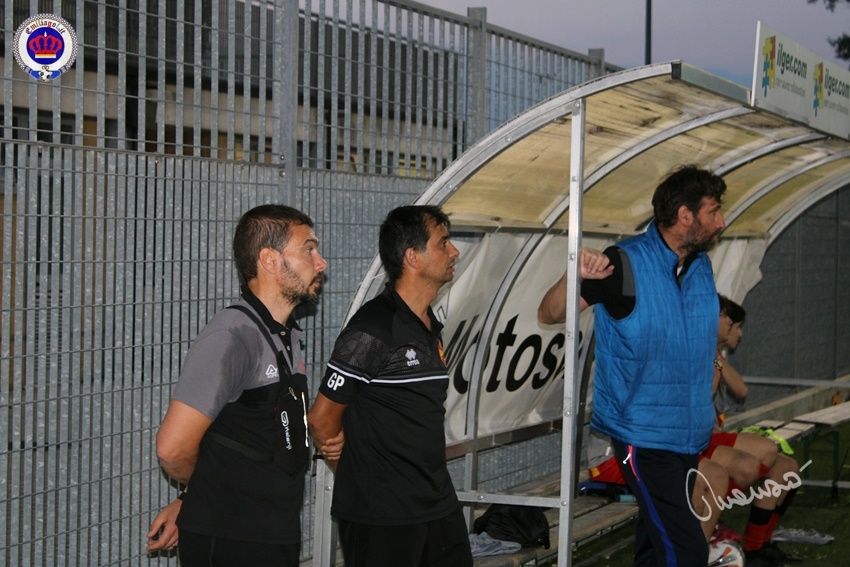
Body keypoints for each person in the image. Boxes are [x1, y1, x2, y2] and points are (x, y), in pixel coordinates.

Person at [539, 164, 727, 567]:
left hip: (689, 436)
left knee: (656, 549)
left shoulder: (700, 266)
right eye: (713, 211)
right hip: (642, 438)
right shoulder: (623, 263)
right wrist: (575, 275)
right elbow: (550, 313)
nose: (721, 222)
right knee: (686, 551)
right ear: (685, 216)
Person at [145, 204, 342, 565]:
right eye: (309, 249)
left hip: (273, 532)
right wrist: (202, 494)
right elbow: (173, 449)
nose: (321, 263)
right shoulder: (232, 336)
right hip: (231, 538)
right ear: (270, 260)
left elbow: (250, 434)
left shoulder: (285, 333)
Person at [306, 205, 472, 567]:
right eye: (443, 243)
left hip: (436, 503)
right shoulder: (373, 328)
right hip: (382, 514)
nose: (454, 251)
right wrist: (351, 465)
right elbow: (321, 418)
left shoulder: (429, 325)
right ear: (412, 257)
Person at [707, 296, 801, 566]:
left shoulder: (714, 355)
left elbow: (741, 390)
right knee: (763, 453)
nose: (739, 333)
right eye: (735, 326)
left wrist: (716, 358)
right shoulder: (696, 349)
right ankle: (711, 519)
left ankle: (757, 548)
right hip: (696, 439)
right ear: (719, 319)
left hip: (710, 434)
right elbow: (705, 395)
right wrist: (712, 356)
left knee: (787, 469)